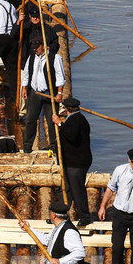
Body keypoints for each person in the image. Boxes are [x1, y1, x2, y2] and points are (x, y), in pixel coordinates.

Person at [21, 37, 65, 155]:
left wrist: (59, 93)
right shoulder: (31, 58)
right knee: (30, 119)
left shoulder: (55, 58)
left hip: (49, 94)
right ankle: (27, 146)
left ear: (44, 46)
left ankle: (54, 146)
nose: (35, 49)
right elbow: (26, 74)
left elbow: (60, 77)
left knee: (51, 121)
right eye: (33, 47)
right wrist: (24, 88)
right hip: (35, 93)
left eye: (37, 47)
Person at [52, 96, 92, 226]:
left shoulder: (77, 120)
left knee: (77, 189)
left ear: (66, 109)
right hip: (70, 161)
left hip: (77, 162)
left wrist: (59, 123)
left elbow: (71, 136)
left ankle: (85, 216)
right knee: (66, 190)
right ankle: (61, 214)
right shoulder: (74, 119)